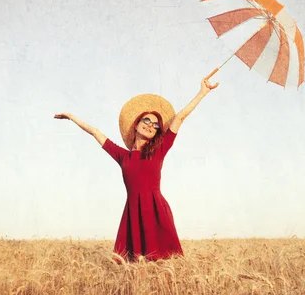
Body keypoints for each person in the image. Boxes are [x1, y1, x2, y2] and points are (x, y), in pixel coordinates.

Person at [55, 77, 218, 261]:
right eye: (147, 121)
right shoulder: (122, 156)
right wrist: (72, 117)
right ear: (137, 124)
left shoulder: (159, 151)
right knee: (132, 268)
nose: (151, 125)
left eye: (156, 125)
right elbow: (96, 133)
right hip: (132, 213)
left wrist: (202, 92)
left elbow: (180, 117)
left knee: (163, 263)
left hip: (157, 211)